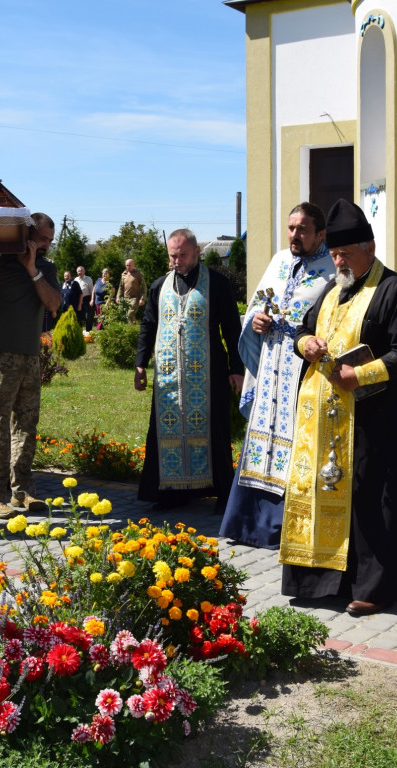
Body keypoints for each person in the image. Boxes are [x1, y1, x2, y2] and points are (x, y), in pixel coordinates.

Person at [280, 199, 397, 616]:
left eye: (345, 254)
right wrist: (304, 345)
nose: (338, 262)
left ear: (370, 247)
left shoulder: (395, 291)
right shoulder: (333, 290)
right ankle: (324, 580)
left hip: (376, 418)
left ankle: (376, 587)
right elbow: (304, 329)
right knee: (331, 493)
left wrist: (358, 377)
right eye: (333, 255)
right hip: (328, 419)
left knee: (372, 499)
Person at [220, 202, 335, 547]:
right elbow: (258, 303)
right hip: (270, 365)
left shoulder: (332, 269)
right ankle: (246, 524)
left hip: (302, 370)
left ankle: (288, 526)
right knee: (262, 437)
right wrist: (255, 319)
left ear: (320, 234)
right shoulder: (279, 261)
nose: (294, 235)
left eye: (302, 229)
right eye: (291, 228)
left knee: (298, 440)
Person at [134, 229, 244, 510]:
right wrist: (140, 363)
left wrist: (236, 368)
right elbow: (149, 324)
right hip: (169, 376)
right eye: (172, 255)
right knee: (166, 430)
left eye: (182, 255)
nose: (177, 261)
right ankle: (171, 493)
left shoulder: (217, 283)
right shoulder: (160, 286)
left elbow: (232, 327)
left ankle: (221, 493)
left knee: (215, 431)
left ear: (197, 252)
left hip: (210, 372)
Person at [0, 213, 61, 518]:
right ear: (26, 234)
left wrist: (33, 271)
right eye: (42, 239)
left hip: (29, 356)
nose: (46, 246)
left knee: (26, 426)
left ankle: (22, 490)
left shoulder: (46, 267)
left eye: (50, 241)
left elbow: (53, 303)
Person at [115, 258, 146, 324]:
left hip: (135, 298)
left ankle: (132, 328)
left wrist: (142, 298)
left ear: (133, 265)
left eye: (129, 265)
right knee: (127, 316)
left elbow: (143, 287)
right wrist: (118, 297)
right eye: (126, 265)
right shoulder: (123, 274)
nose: (127, 267)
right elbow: (121, 287)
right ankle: (132, 329)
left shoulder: (138, 274)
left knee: (130, 313)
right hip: (126, 299)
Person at [74, 265, 93, 330]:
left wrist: (92, 300)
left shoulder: (88, 279)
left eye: (81, 271)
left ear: (84, 271)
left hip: (86, 299)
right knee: (78, 316)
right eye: (78, 271)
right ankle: (79, 330)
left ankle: (88, 331)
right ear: (77, 272)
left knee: (88, 316)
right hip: (78, 300)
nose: (80, 272)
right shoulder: (75, 279)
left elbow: (92, 291)